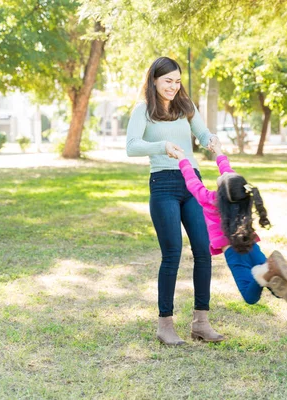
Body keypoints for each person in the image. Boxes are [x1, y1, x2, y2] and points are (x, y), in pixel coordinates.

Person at [126, 57, 224, 345]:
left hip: (192, 182)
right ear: (154, 79)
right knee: (172, 254)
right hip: (163, 184)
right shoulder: (143, 109)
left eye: (177, 81)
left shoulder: (186, 106)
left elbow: (203, 133)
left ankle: (201, 323)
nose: (173, 86)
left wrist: (211, 140)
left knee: (204, 251)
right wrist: (162, 146)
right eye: (168, 80)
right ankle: (165, 325)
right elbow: (131, 146)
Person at [171, 141, 287, 309]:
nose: (225, 173)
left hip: (233, 252)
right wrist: (218, 151)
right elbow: (226, 168)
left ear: (221, 190)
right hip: (250, 244)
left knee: (250, 296)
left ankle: (263, 275)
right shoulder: (239, 194)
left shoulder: (211, 200)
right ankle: (274, 281)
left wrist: (182, 159)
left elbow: (192, 182)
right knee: (268, 275)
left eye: (225, 176)